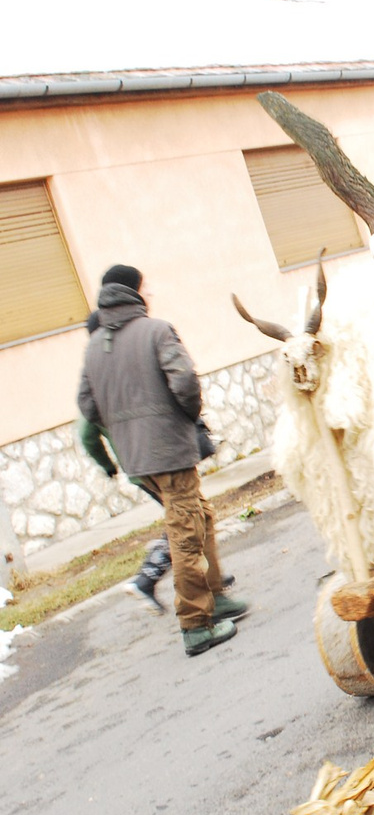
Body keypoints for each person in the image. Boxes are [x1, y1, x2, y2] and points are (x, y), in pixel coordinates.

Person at [77, 265, 246, 656]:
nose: (149, 291)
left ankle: (216, 595)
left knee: (200, 515)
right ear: (133, 292)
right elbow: (185, 382)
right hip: (168, 451)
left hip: (138, 459)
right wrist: (184, 420)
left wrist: (124, 432)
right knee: (185, 533)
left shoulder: (93, 345)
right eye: (144, 286)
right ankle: (196, 625)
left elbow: (88, 406)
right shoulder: (157, 331)